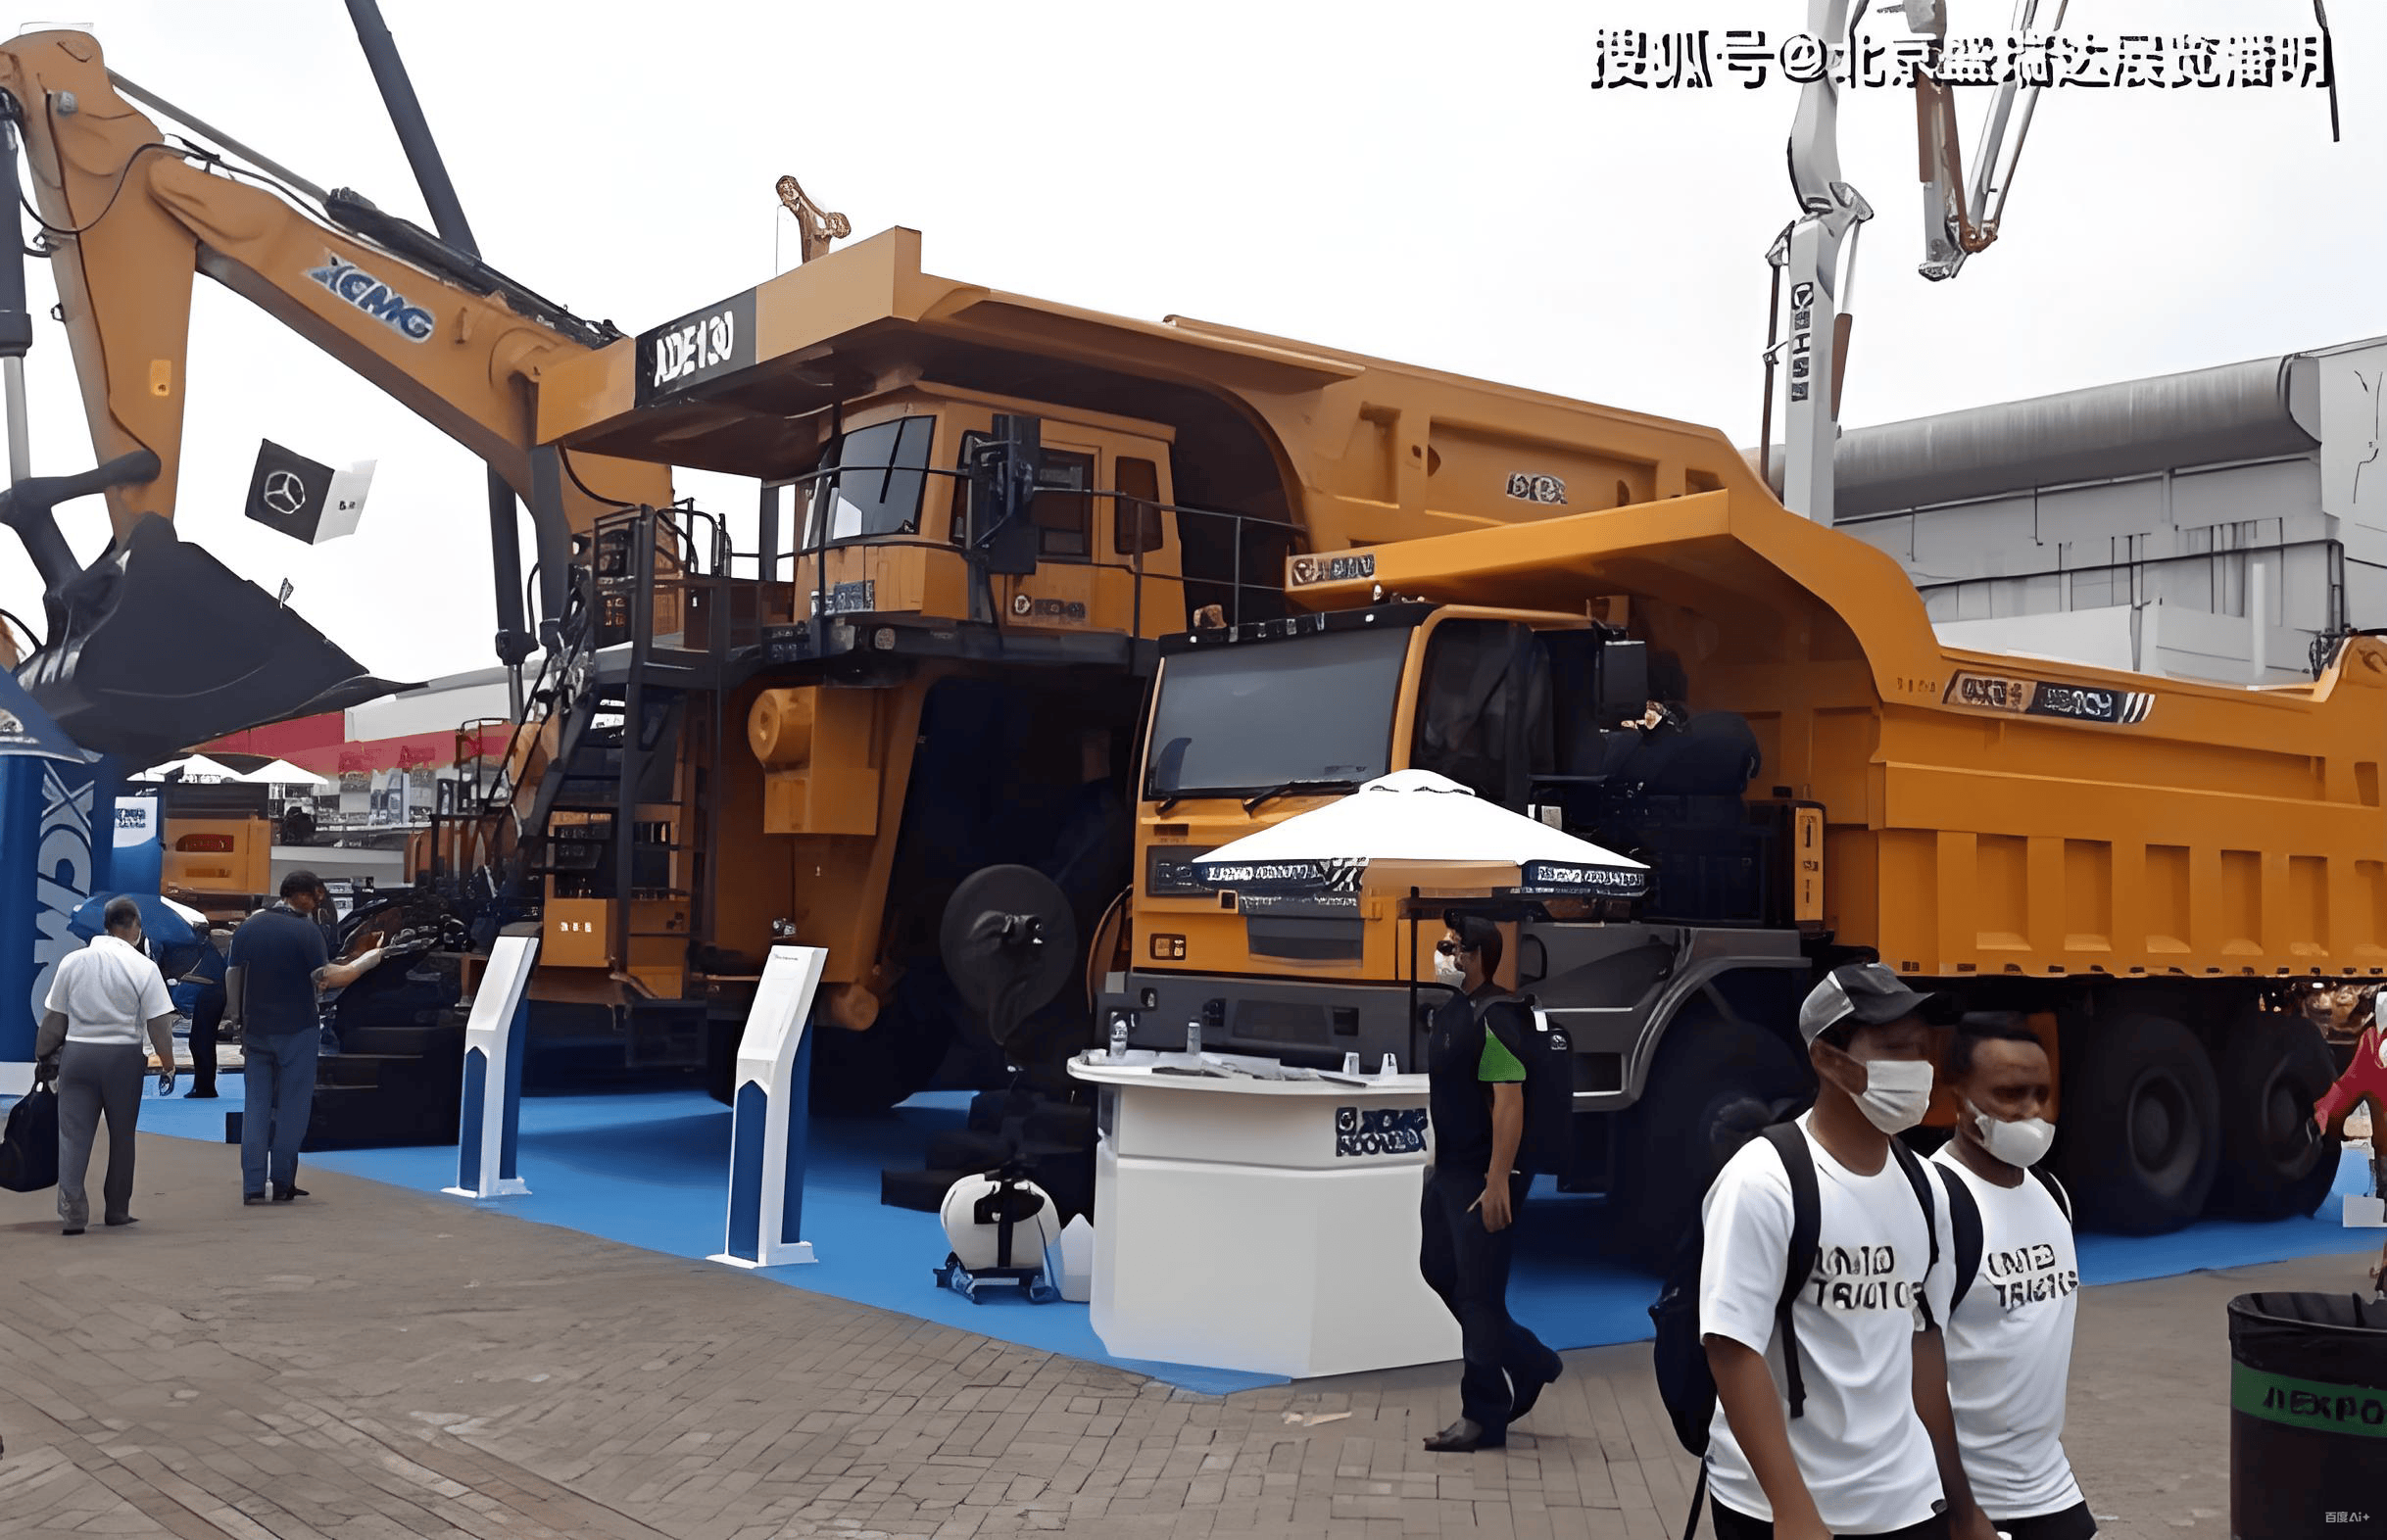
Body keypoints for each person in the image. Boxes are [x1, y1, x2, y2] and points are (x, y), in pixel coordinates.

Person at [1700, 962, 1992, 1540]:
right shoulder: (1763, 1182)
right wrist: (1792, 1509)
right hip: (1782, 1507)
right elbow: (1731, 1349)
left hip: (1906, 1502)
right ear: (1829, 1060)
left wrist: (1962, 1506)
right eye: (1895, 1050)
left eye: (1922, 1049)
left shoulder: (1927, 1189)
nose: (1918, 1067)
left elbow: (1923, 1345)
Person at [1926, 1014, 2096, 1540]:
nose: (2032, 1111)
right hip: (1962, 1499)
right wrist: (1961, 1511)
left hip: (2049, 1486)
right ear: (1957, 1098)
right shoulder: (1933, 1203)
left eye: (2042, 1094)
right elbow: (1909, 1369)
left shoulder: (2053, 1194)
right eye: (2009, 1094)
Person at [1416, 912, 1563, 1453]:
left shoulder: (1497, 1018)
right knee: (1438, 1270)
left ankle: (1482, 1414)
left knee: (1479, 1295)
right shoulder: (1455, 1011)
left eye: (1450, 947)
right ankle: (1529, 1359)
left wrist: (1498, 1179)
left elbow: (1509, 1101)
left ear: (1475, 956)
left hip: (1483, 1175)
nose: (1442, 956)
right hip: (1448, 1171)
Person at [225, 871, 386, 1205]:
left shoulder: (249, 927)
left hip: (255, 1030)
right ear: (301, 895)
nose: (317, 904)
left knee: (255, 1107)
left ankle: (252, 1185)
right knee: (292, 1109)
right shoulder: (307, 931)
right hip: (297, 1030)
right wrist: (366, 962)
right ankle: (283, 1181)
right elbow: (327, 978)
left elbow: (233, 976)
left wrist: (239, 1023)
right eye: (316, 896)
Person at [32, 896, 176, 1234]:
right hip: (123, 1059)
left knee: (73, 1136)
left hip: (78, 1055)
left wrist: (43, 1056)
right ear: (135, 927)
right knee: (122, 1136)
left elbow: (54, 1019)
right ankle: (117, 1210)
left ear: (106, 925)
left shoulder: (72, 962)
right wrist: (168, 1065)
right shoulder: (144, 967)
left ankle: (72, 1214)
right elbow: (159, 1024)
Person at [182, 928, 230, 1099]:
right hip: (213, 993)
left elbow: (207, 975)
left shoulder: (206, 951)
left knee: (201, 1041)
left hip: (211, 993)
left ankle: (205, 1086)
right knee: (202, 1040)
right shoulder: (209, 950)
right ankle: (203, 1085)